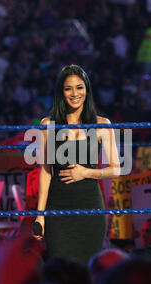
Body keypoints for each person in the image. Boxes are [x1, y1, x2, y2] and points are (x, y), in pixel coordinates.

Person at [34, 64, 121, 265]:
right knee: (59, 270)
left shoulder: (102, 124)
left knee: (88, 271)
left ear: (87, 90)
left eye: (79, 87)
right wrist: (40, 216)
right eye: (68, 88)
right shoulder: (48, 125)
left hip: (89, 208)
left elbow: (116, 169)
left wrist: (86, 172)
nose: (75, 93)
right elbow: (46, 171)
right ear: (61, 92)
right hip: (58, 209)